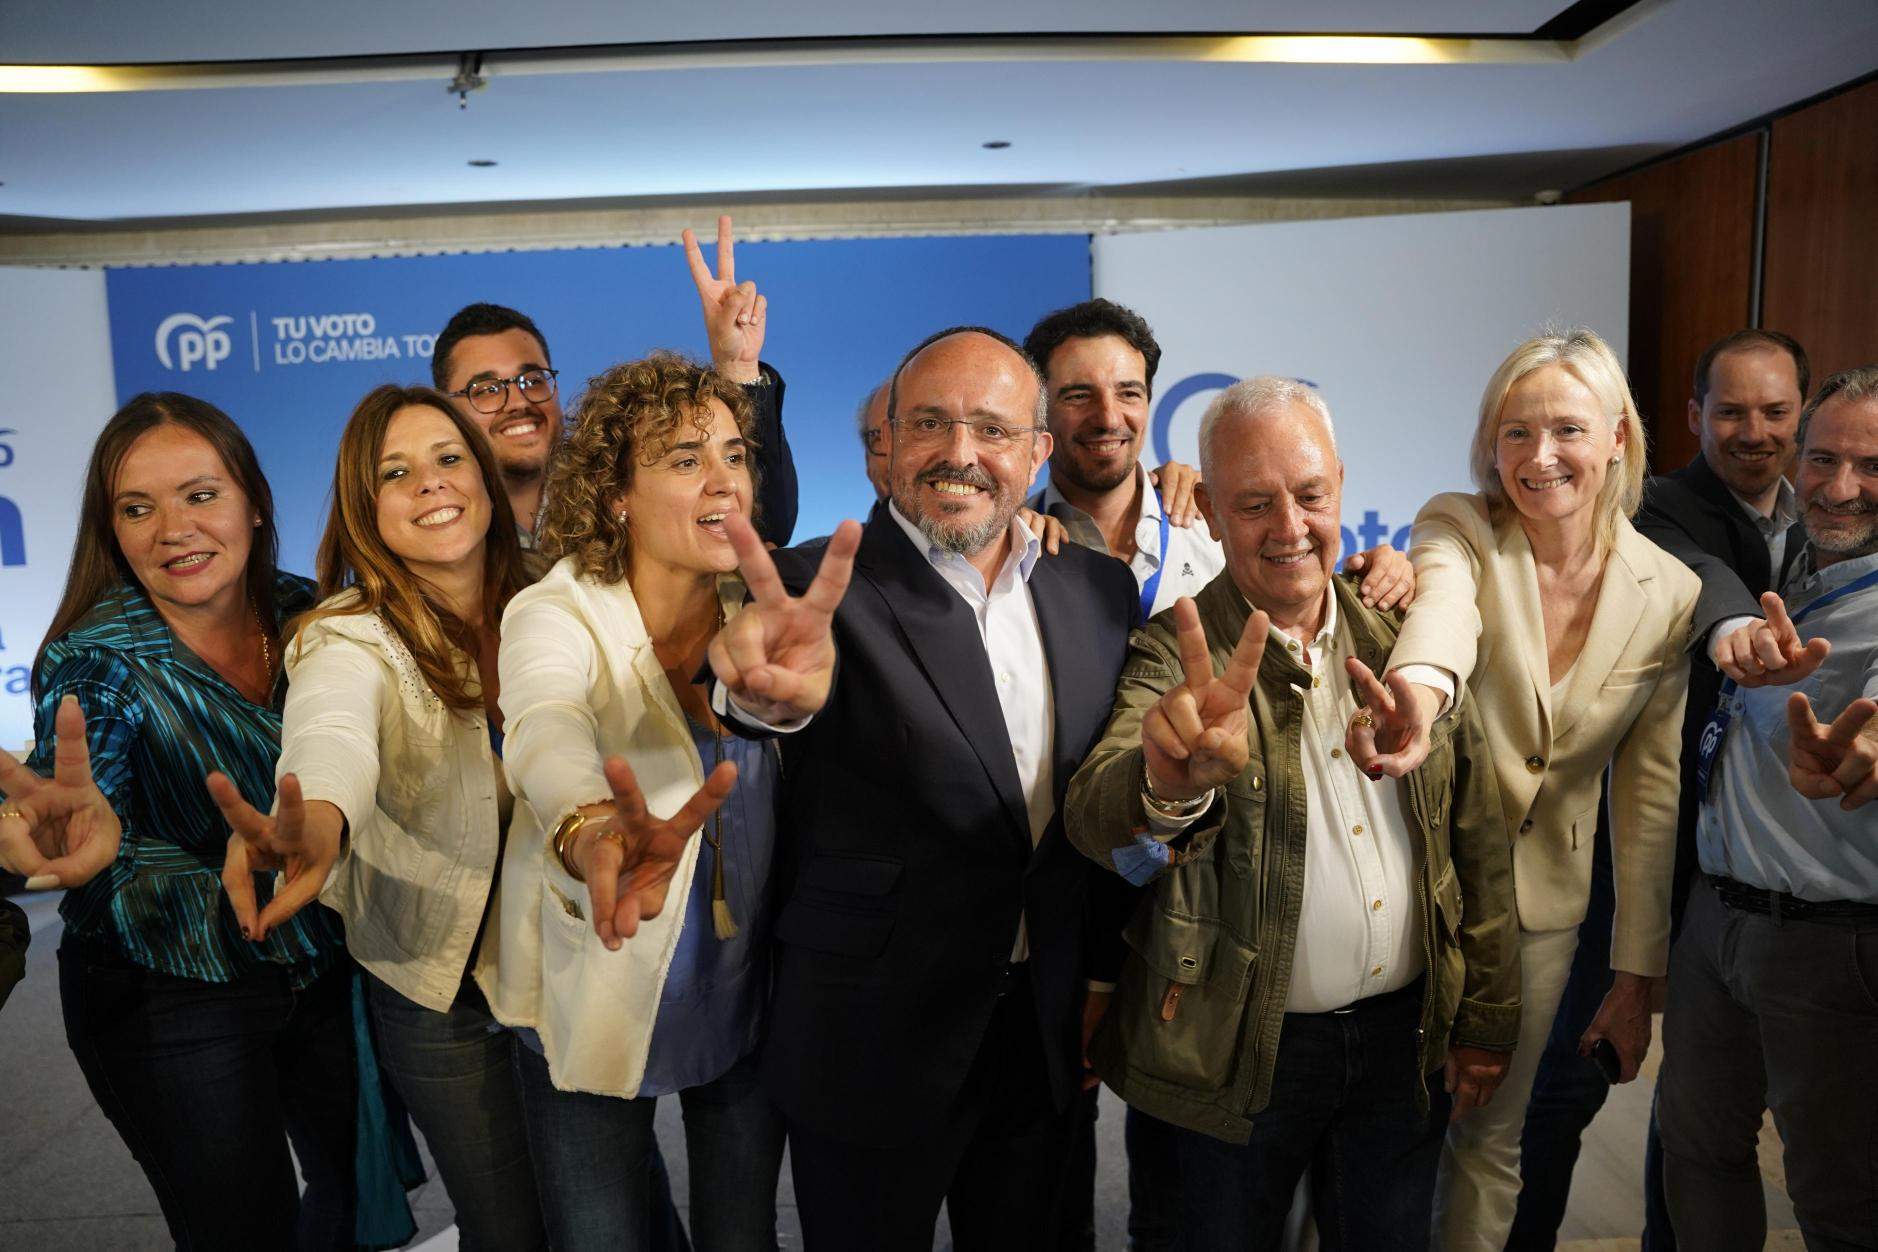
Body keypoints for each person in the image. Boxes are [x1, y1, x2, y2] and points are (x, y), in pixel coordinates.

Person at [698, 325, 1139, 1248]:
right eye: (930, 423)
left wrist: (1099, 974)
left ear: (1037, 452)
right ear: (886, 441)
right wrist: (767, 701)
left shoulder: (1097, 589)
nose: (959, 453)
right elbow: (762, 698)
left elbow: (1092, 816)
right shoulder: (809, 584)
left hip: (1043, 1036)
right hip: (869, 1040)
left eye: (991, 429)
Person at [1061, 377, 1520, 1250]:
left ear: (1341, 483)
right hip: (1225, 1052)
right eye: (1254, 503)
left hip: (1402, 1045)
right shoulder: (1175, 649)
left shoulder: (1408, 646)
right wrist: (1169, 777)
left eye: (1310, 495)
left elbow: (1477, 842)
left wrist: (1487, 1021)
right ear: (1213, 513)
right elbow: (1097, 818)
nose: (1289, 526)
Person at [0, 393, 410, 1249]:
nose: (171, 529)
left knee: (349, 1195)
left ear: (254, 502)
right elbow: (75, 790)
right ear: (110, 531)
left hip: (314, 962)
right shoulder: (97, 657)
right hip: (168, 989)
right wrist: (63, 833)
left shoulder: (316, 616)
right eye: (135, 508)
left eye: (199, 494)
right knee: (241, 1229)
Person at [1363, 329, 1700, 1251]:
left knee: (1490, 1138)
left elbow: (1650, 798)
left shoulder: (1669, 591)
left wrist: (1636, 978)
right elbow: (1439, 614)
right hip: (1415, 894)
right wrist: (1418, 700)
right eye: (1515, 433)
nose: (1539, 457)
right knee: (1379, 1132)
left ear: (1619, 437)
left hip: (1545, 916)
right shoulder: (1461, 526)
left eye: (1566, 430)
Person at [204, 384, 546, 1249]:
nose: (429, 484)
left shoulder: (556, 598)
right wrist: (314, 827)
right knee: (508, 1228)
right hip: (438, 988)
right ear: (365, 510)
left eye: (447, 459)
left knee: (612, 1208)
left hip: (569, 969)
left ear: (482, 474)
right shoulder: (345, 636)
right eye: (396, 473)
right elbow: (330, 735)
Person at [480, 352, 792, 1252]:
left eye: (734, 454)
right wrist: (589, 825)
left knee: (743, 1237)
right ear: (616, 492)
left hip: (742, 985)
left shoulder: (767, 601)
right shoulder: (558, 609)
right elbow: (542, 722)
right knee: (602, 1237)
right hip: (594, 969)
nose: (724, 478)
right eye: (685, 459)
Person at [1508, 328, 1810, 1250]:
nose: (1753, 431)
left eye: (1775, 412)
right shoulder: (1657, 507)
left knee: (1702, 1113)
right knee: (1565, 1086)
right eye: (1731, 411)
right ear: (1688, 417)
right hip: (1629, 855)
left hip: (1778, 859)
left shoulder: (1830, 508)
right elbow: (1702, 580)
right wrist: (1728, 632)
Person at [1655, 364, 1878, 1251]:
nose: (1840, 487)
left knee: (1838, 1194)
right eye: (1822, 459)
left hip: (1831, 945)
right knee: (1698, 1154)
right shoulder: (1786, 551)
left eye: (1870, 466)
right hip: (1717, 921)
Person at [432, 215, 798, 547]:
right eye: (488, 390)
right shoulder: (438, 520)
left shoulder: (612, 489)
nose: (517, 402)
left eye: (532, 379)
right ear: (445, 408)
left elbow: (758, 532)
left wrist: (736, 366)